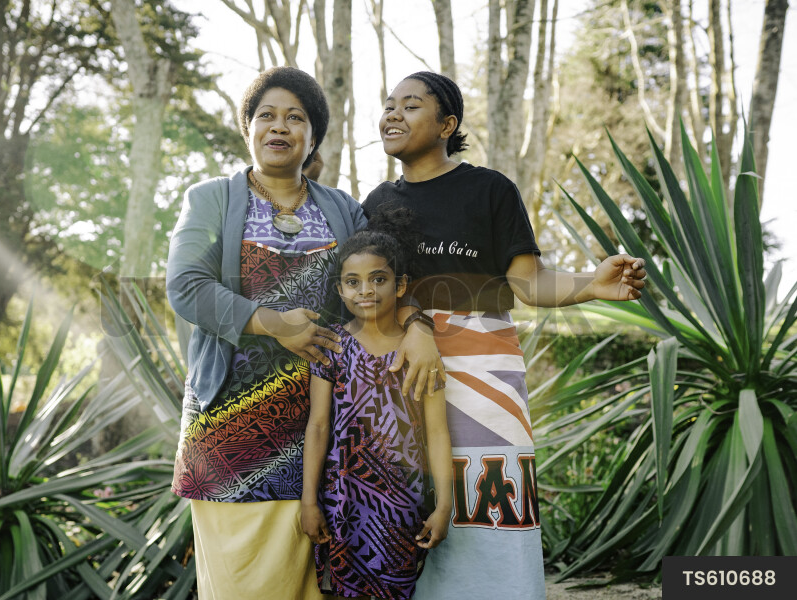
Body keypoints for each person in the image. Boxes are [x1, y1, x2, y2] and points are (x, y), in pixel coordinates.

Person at [364, 71, 648, 600]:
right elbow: (369, 301)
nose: (393, 115)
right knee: (411, 508)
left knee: (490, 501)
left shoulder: (490, 189)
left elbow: (529, 283)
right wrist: (413, 324)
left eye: (411, 105)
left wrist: (592, 283)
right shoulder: (374, 203)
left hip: (487, 381)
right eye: (388, 105)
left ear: (448, 124)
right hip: (401, 381)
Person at [165, 66, 367, 600]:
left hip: (323, 424)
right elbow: (185, 286)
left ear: (313, 137)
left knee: (310, 582)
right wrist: (274, 324)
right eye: (266, 116)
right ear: (248, 129)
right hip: (229, 428)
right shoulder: (212, 199)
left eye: (295, 118)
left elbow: (378, 284)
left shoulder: (343, 210)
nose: (279, 127)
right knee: (240, 582)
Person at [300, 214, 454, 600]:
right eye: (353, 282)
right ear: (340, 289)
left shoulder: (419, 352)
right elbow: (318, 426)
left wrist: (445, 504)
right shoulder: (331, 347)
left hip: (403, 506)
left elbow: (436, 431)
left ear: (400, 285)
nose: (365, 290)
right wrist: (308, 500)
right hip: (342, 502)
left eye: (378, 279)